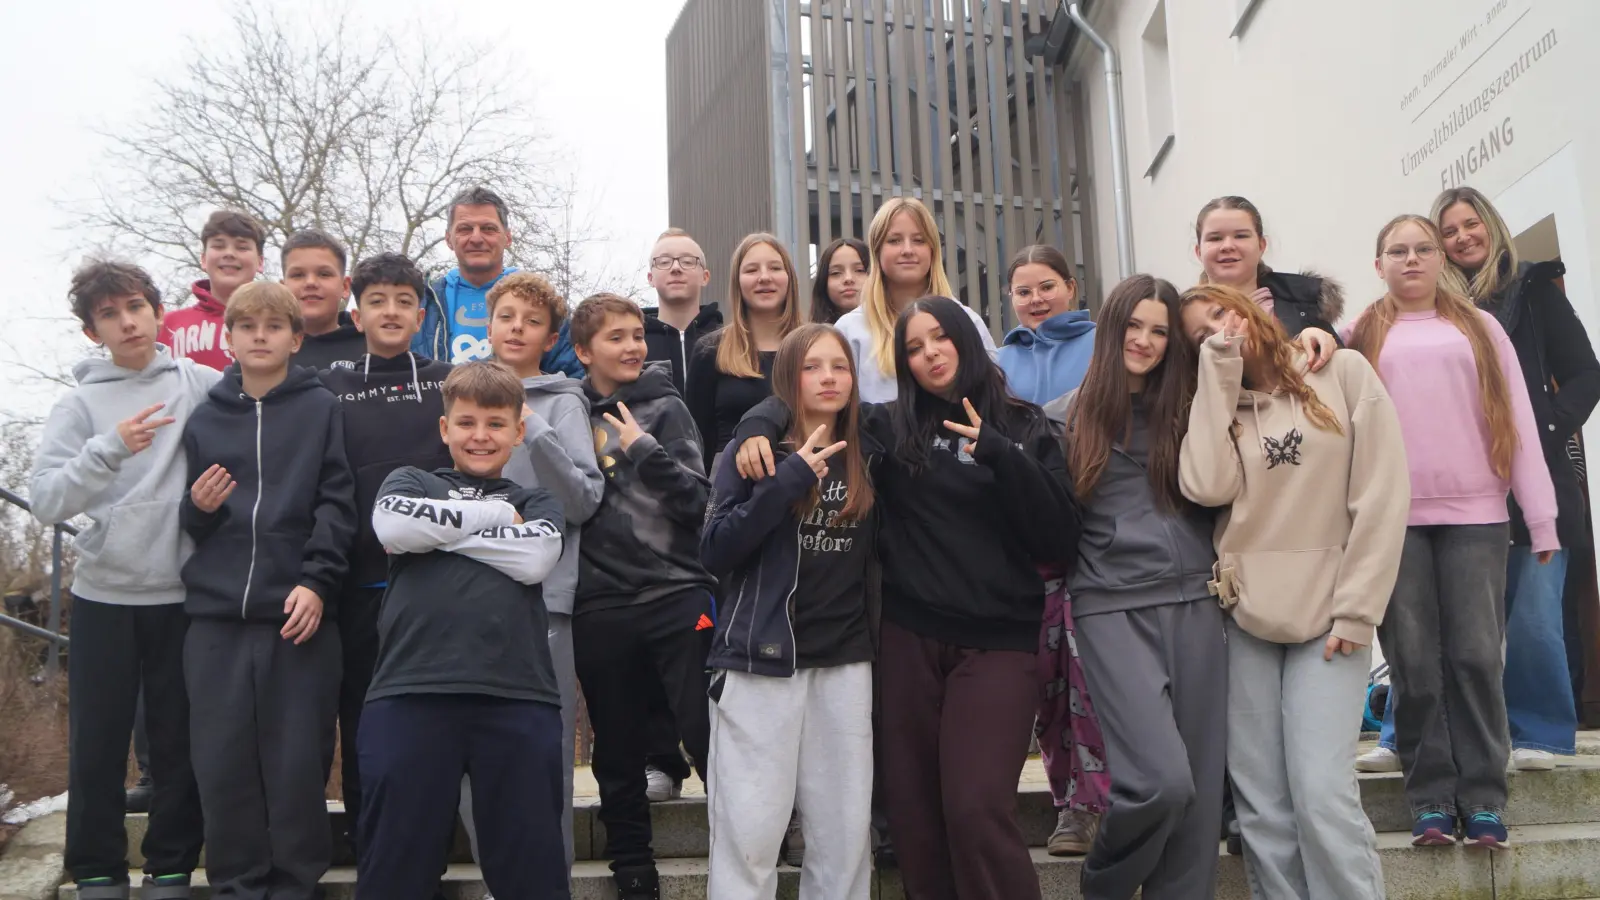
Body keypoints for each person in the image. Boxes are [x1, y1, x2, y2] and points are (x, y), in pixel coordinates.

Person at [732, 296, 1076, 900]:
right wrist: (758, 421)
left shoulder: (1027, 427)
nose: (929, 355)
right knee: (914, 818)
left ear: (967, 342)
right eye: (913, 348)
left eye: (940, 339)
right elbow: (818, 402)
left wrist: (999, 454)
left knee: (973, 807)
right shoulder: (888, 427)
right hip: (908, 640)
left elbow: (1059, 538)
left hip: (997, 643)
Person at [1178, 283, 1408, 898]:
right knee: (1262, 808)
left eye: (1225, 315)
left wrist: (1359, 611)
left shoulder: (1343, 370)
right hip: (1243, 617)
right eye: (1202, 333)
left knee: (1322, 794)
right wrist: (1218, 377)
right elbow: (1204, 486)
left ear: (1256, 307)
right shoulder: (1216, 403)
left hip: (1333, 617)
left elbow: (1382, 496)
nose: (1221, 331)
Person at [1346, 214, 1558, 849]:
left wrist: (1540, 514)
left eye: (1422, 249)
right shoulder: (1359, 332)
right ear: (1378, 263)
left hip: (1477, 517)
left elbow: (1518, 417)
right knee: (1414, 665)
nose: (1411, 259)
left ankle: (1486, 798)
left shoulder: (1481, 326)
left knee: (1472, 656)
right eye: (1396, 251)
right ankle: (1432, 799)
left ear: (1442, 260)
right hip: (1395, 521)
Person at [31, 260, 211, 900]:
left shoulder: (199, 382)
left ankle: (171, 868)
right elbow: (47, 499)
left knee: (178, 744)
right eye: (110, 314)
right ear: (92, 332)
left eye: (136, 306)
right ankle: (98, 869)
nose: (128, 320)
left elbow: (263, 416)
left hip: (183, 594)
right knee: (98, 745)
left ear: (158, 311)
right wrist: (109, 447)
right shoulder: (78, 404)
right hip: (104, 594)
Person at [358, 361, 570, 900]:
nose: (481, 436)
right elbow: (395, 525)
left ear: (519, 432)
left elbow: (534, 560)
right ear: (444, 428)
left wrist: (437, 532)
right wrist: (495, 515)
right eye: (468, 422)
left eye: (496, 424)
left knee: (533, 872)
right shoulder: (409, 481)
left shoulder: (538, 500)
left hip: (517, 696)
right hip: (410, 691)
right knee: (394, 870)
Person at [179, 281, 356, 899]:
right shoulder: (204, 417)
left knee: (297, 766)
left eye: (273, 326)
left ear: (295, 339)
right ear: (227, 338)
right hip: (216, 620)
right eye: (246, 325)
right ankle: (236, 886)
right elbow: (188, 521)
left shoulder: (322, 408)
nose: (259, 335)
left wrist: (316, 583)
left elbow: (338, 504)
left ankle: (295, 887)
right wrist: (196, 509)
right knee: (223, 765)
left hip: (299, 616)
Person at [1051, 274, 1224, 900]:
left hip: (1201, 603)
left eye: (1159, 330)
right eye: (1134, 326)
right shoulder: (1062, 418)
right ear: (1110, 327)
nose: (1146, 341)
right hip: (1110, 607)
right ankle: (1102, 887)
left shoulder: (1193, 408)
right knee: (1160, 782)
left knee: (1200, 801)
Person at [701, 323, 879, 899]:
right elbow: (715, 549)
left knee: (844, 839)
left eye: (840, 366)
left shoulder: (871, 448)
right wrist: (786, 480)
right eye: (812, 366)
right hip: (760, 661)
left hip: (845, 662)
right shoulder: (751, 453)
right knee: (749, 834)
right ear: (788, 379)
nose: (828, 377)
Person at [1434, 186, 1600, 772]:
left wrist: (1547, 427)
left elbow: (1585, 373)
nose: (1462, 238)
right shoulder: (1434, 307)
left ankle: (1542, 735)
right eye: (1449, 231)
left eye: (1470, 225)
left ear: (1491, 226)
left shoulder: (1532, 293)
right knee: (1472, 624)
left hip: (1541, 483)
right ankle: (1485, 733)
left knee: (1533, 616)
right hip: (1467, 488)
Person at [569, 294, 717, 900]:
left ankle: (758, 838)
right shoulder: (567, 409)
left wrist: (643, 452)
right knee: (618, 742)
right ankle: (632, 866)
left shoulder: (666, 408)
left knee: (707, 725)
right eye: (616, 337)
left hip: (678, 589)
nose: (633, 346)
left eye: (637, 334)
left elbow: (700, 503)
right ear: (583, 351)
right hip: (600, 601)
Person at [318, 252, 455, 855]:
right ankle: (367, 837)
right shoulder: (332, 389)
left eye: (404, 301)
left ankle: (432, 841)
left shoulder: (449, 381)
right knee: (364, 716)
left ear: (420, 313)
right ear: (358, 312)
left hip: (434, 583)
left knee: (430, 716)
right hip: (357, 585)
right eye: (378, 301)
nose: (392, 311)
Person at [487, 271, 606, 869]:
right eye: (507, 316)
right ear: (488, 323)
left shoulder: (562, 403)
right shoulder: (460, 393)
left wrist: (531, 429)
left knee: (546, 752)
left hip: (544, 603)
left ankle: (548, 880)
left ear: (550, 336)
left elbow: (584, 499)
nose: (517, 328)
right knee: (470, 750)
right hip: (465, 602)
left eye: (531, 321)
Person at [991, 244, 1107, 857]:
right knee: (1040, 685)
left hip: (1093, 529)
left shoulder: (1102, 343)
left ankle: (1092, 807)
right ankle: (1063, 803)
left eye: (1047, 287)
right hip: (1025, 542)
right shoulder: (998, 358)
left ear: (1071, 285)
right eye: (1023, 290)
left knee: (1086, 683)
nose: (1036, 300)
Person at [835, 198, 997, 402]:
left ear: (933, 250)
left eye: (919, 240)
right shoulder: (849, 330)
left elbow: (995, 396)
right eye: (894, 240)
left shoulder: (968, 321)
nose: (907, 250)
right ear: (877, 251)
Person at [413, 185, 583, 376]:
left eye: (488, 229)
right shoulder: (423, 304)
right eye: (465, 229)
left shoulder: (542, 303)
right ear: (449, 239)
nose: (476, 238)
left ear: (508, 237)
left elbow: (572, 378)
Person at [688, 233, 804, 467]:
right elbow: (697, 439)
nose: (764, 277)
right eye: (751, 270)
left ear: (789, 278)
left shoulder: (814, 346)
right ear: (737, 282)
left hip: (808, 487)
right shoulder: (710, 350)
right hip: (734, 493)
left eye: (774, 268)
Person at [1193, 196, 1344, 341]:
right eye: (1215, 238)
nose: (1227, 246)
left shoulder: (1305, 307)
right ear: (1198, 252)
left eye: (1240, 236)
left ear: (1261, 246)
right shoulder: (1180, 321)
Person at [160, 209, 265, 370]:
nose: (229, 253)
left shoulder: (279, 322)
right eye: (218, 246)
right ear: (203, 259)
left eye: (242, 247)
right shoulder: (167, 325)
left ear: (260, 262)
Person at [645, 228, 725, 394]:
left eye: (688, 261)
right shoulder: (635, 346)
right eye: (664, 261)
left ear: (705, 277)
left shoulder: (729, 342)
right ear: (650, 278)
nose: (676, 268)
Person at [283, 228, 364, 371]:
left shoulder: (373, 347)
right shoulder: (266, 348)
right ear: (282, 288)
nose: (310, 282)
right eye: (298, 275)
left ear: (345, 287)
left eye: (324, 274)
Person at [811, 237, 871, 324]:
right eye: (836, 273)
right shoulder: (810, 336)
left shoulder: (895, 328)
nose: (848, 278)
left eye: (859, 270)